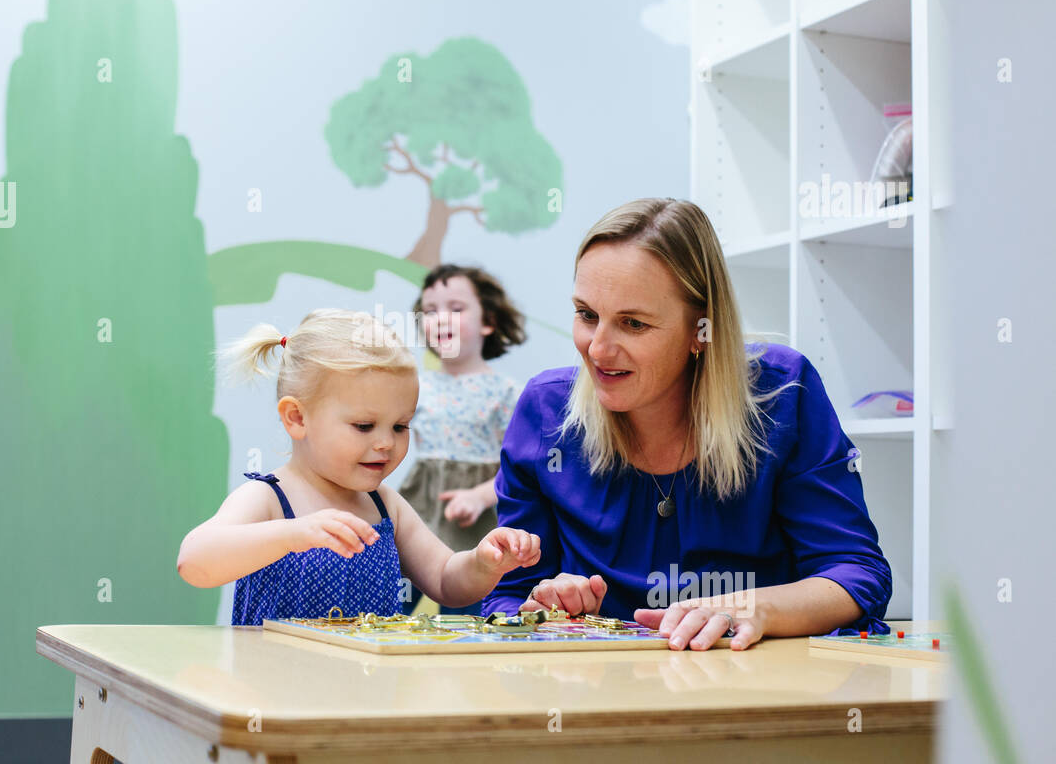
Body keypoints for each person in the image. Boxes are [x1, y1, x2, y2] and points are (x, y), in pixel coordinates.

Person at [486, 198, 893, 651]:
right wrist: (543, 611)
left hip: (754, 689)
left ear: (702, 329)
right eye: (586, 315)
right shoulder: (545, 411)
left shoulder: (782, 394)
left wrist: (755, 607)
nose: (597, 350)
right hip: (600, 695)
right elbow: (508, 596)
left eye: (633, 324)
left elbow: (857, 573)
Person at [177, 308, 541, 624]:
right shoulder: (269, 498)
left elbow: (446, 580)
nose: (386, 442)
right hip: (274, 695)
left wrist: (483, 563)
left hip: (365, 696)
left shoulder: (384, 504)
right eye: (364, 426)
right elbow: (194, 560)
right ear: (297, 418)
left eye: (401, 426)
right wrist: (294, 534)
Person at [398, 264, 525, 615]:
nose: (441, 319)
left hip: (476, 519)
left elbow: (518, 468)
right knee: (393, 601)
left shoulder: (505, 392)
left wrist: (480, 496)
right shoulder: (413, 386)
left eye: (456, 309)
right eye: (430, 311)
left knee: (466, 610)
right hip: (420, 508)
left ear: (488, 322)